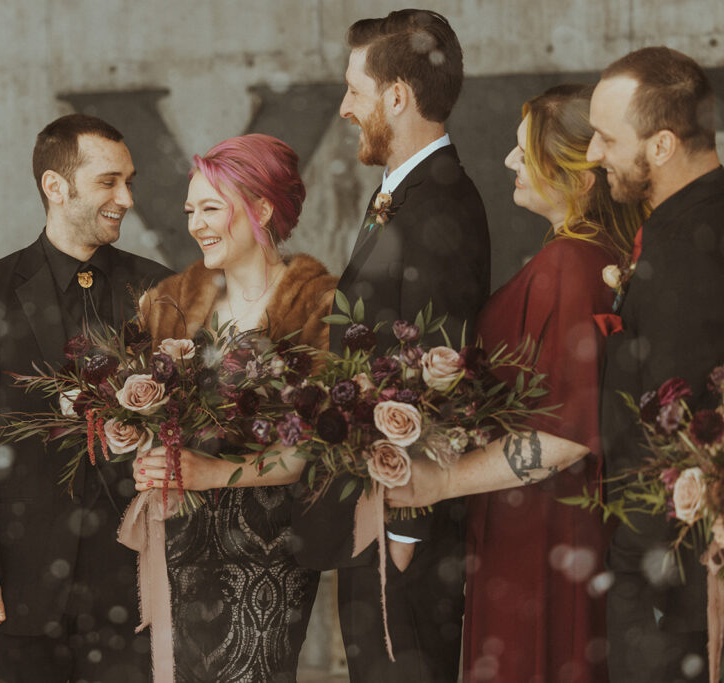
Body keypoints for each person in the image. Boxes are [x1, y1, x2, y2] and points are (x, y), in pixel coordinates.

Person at [387, 84, 644, 683]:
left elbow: (568, 434)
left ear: (579, 179)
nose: (507, 160)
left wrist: (440, 480)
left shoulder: (573, 267)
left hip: (546, 528)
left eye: (523, 150)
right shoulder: (583, 255)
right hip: (543, 522)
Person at [0, 113, 173, 683]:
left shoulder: (158, 289)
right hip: (19, 579)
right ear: (55, 186)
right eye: (109, 181)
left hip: (134, 579)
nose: (127, 199)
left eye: (129, 181)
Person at [290, 10, 490, 681]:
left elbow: (439, 367)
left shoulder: (441, 203)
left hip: (403, 522)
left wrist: (407, 526)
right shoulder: (406, 196)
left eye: (354, 90)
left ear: (396, 97)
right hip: (375, 505)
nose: (345, 108)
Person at [130, 134, 337, 682]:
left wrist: (215, 471)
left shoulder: (317, 305)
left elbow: (316, 447)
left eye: (211, 208)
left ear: (262, 208)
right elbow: (141, 417)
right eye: (190, 210)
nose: (196, 223)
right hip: (178, 540)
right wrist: (141, 450)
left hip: (268, 544)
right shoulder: (169, 304)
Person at [587, 47, 724, 683]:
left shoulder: (686, 254)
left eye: (606, 137)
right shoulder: (690, 225)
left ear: (663, 145)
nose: (592, 154)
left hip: (676, 581)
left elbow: (682, 431)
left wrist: (646, 575)